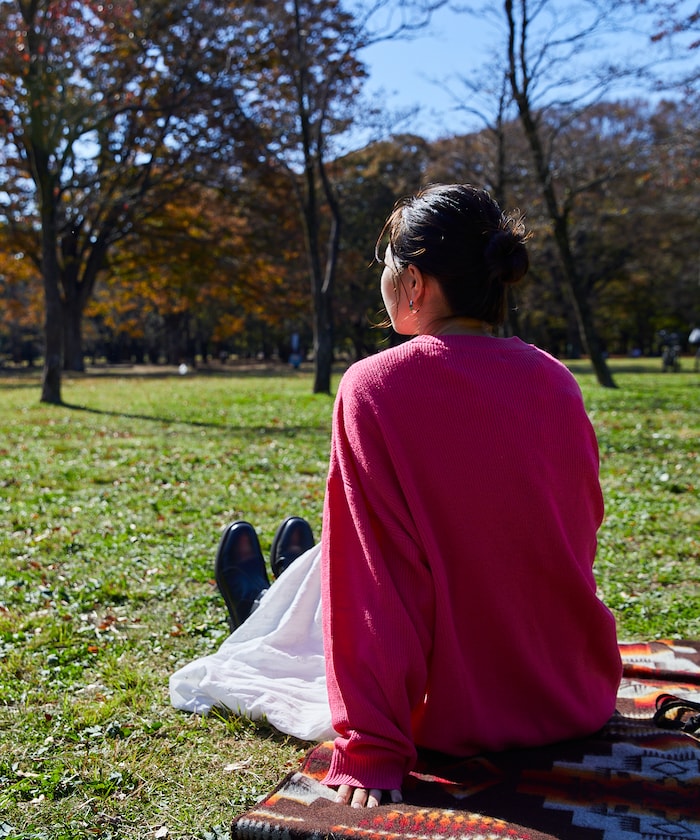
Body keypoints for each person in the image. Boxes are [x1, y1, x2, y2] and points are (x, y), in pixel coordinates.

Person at [172, 183, 622, 811]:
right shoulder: (555, 382)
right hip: (570, 695)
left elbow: (374, 582)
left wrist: (373, 747)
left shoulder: (375, 386)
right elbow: (573, 538)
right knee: (352, 552)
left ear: (414, 282)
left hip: (451, 719)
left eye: (385, 263)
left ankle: (258, 607)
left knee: (337, 565)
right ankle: (272, 597)